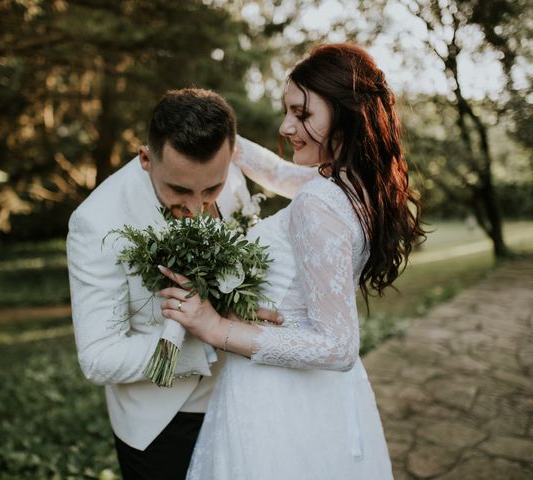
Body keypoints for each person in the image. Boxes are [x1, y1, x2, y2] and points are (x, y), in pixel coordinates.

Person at [157, 43, 425, 479]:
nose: (286, 126)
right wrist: (220, 134)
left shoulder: (318, 203)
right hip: (325, 401)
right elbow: (282, 176)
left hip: (276, 401)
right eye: (288, 111)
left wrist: (217, 327)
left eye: (302, 114)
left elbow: (337, 345)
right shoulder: (356, 182)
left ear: (345, 111)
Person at [66, 88, 269, 480]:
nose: (196, 209)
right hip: (164, 423)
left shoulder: (231, 177)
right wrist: (204, 337)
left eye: (211, 189)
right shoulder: (97, 222)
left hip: (244, 396)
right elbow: (98, 356)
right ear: (146, 159)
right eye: (179, 190)